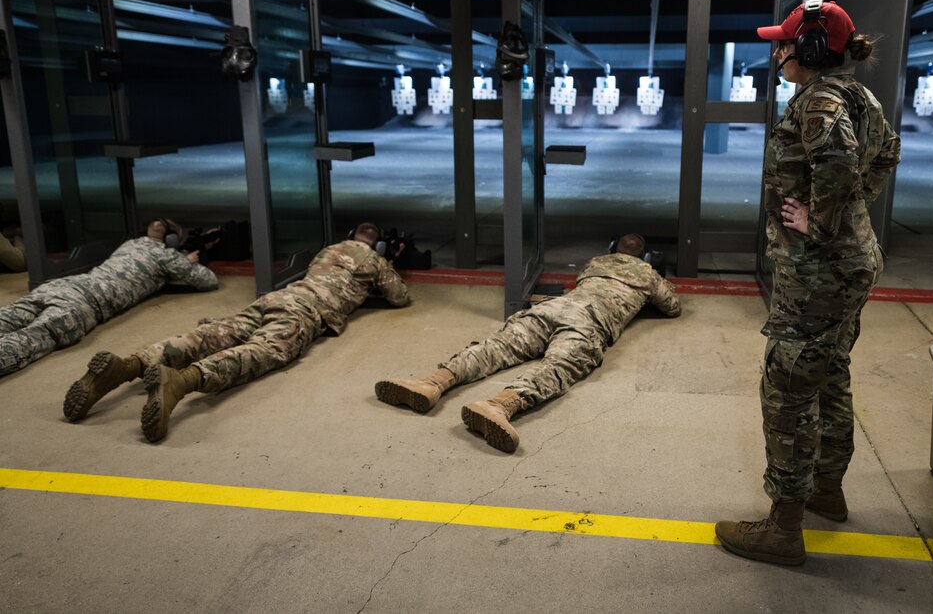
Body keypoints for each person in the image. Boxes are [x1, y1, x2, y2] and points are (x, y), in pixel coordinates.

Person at [714, 0, 901, 566]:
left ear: (814, 48)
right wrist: (848, 213)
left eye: (785, 43)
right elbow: (888, 152)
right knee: (830, 376)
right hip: (851, 265)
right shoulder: (857, 95)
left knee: (788, 391)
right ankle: (826, 491)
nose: (777, 53)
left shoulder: (819, 99)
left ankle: (784, 528)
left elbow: (841, 161)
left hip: (819, 272)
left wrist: (818, 221)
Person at [63, 222, 410, 443]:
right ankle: (181, 382)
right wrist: (390, 264)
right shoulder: (374, 262)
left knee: (209, 335)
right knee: (262, 352)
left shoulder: (329, 250)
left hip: (274, 298)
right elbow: (399, 298)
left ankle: (127, 365)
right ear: (377, 246)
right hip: (306, 311)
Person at [374, 233, 681, 453]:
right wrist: (654, 279)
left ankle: (432, 383)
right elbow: (672, 307)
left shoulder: (596, 262)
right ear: (646, 256)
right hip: (590, 320)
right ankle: (498, 406)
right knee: (559, 366)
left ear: (613, 248)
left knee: (497, 347)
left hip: (551, 307)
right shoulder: (648, 273)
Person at [0, 219, 218, 377]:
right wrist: (187, 261)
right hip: (82, 304)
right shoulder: (166, 255)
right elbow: (208, 281)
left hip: (57, 286)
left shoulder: (129, 244)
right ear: (170, 240)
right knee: (28, 341)